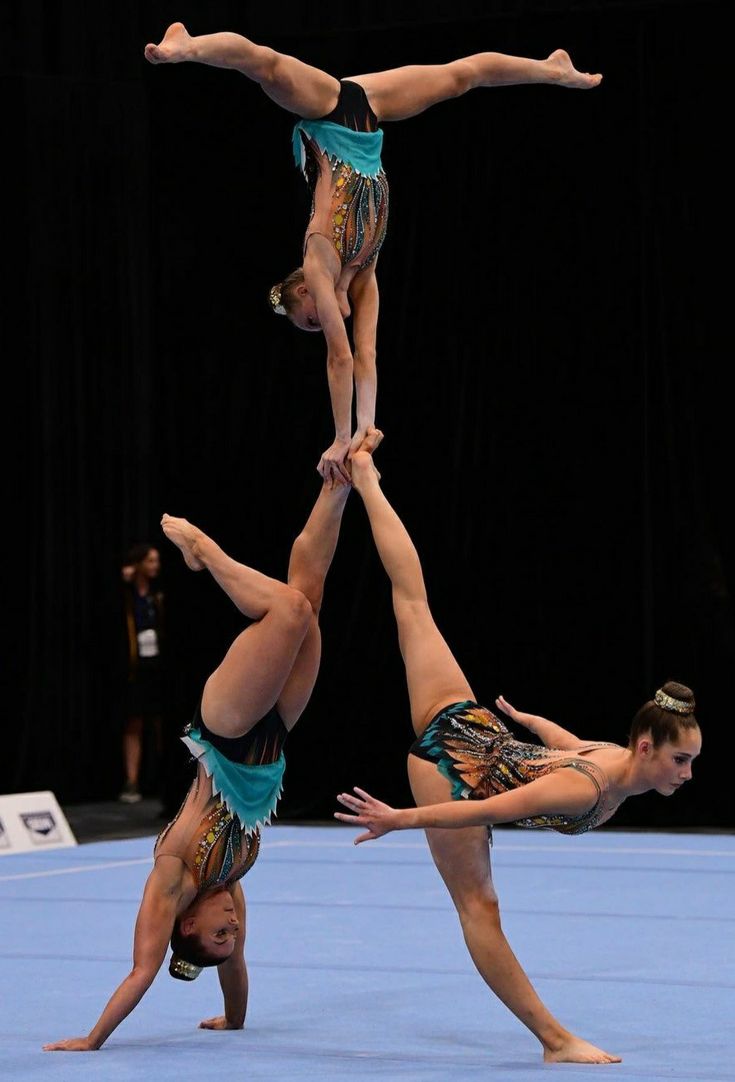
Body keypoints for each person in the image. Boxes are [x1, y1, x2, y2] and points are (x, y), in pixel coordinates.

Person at [334, 448, 702, 1065]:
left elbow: (564, 742)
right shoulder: (587, 788)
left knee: (414, 606)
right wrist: (400, 818)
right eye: (683, 760)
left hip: (479, 730)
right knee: (480, 908)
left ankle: (367, 482)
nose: (689, 774)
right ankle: (554, 1041)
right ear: (647, 748)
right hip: (453, 767)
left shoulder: (611, 759)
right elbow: (488, 808)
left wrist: (527, 721)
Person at [144, 23, 602, 484]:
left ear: (303, 290)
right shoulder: (363, 270)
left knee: (266, 64)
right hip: (368, 111)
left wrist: (340, 437)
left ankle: (188, 46)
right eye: (315, 324)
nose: (320, 321)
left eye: (309, 317)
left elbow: (338, 359)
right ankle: (551, 70)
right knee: (462, 77)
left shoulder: (317, 260)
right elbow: (366, 353)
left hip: (325, 110)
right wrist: (365, 428)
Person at [42, 444, 375, 1052]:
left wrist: (92, 1040)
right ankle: (336, 487)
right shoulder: (234, 879)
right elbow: (236, 972)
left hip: (224, 731)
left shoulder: (174, 877)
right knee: (310, 600)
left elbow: (144, 970)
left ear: (187, 924)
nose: (234, 927)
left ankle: (203, 553)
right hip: (272, 737)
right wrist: (234, 1020)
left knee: (290, 610)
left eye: (219, 934)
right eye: (233, 933)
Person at [119, 542, 166, 803]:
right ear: (138, 564)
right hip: (135, 668)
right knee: (134, 722)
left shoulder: (158, 592)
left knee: (162, 723)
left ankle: (162, 780)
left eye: (156, 561)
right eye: (150, 561)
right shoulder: (126, 594)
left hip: (158, 665)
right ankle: (131, 781)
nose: (155, 566)